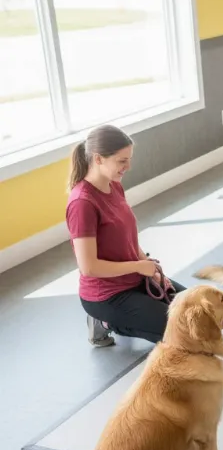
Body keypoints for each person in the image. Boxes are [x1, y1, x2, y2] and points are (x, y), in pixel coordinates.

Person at [66, 125, 185, 347]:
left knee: (198, 310)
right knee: (183, 332)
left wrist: (149, 268)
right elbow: (89, 268)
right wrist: (139, 268)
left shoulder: (114, 186)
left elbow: (127, 238)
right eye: (122, 161)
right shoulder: (82, 203)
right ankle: (105, 322)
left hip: (135, 278)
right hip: (107, 295)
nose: (128, 167)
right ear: (98, 159)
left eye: (129, 159)